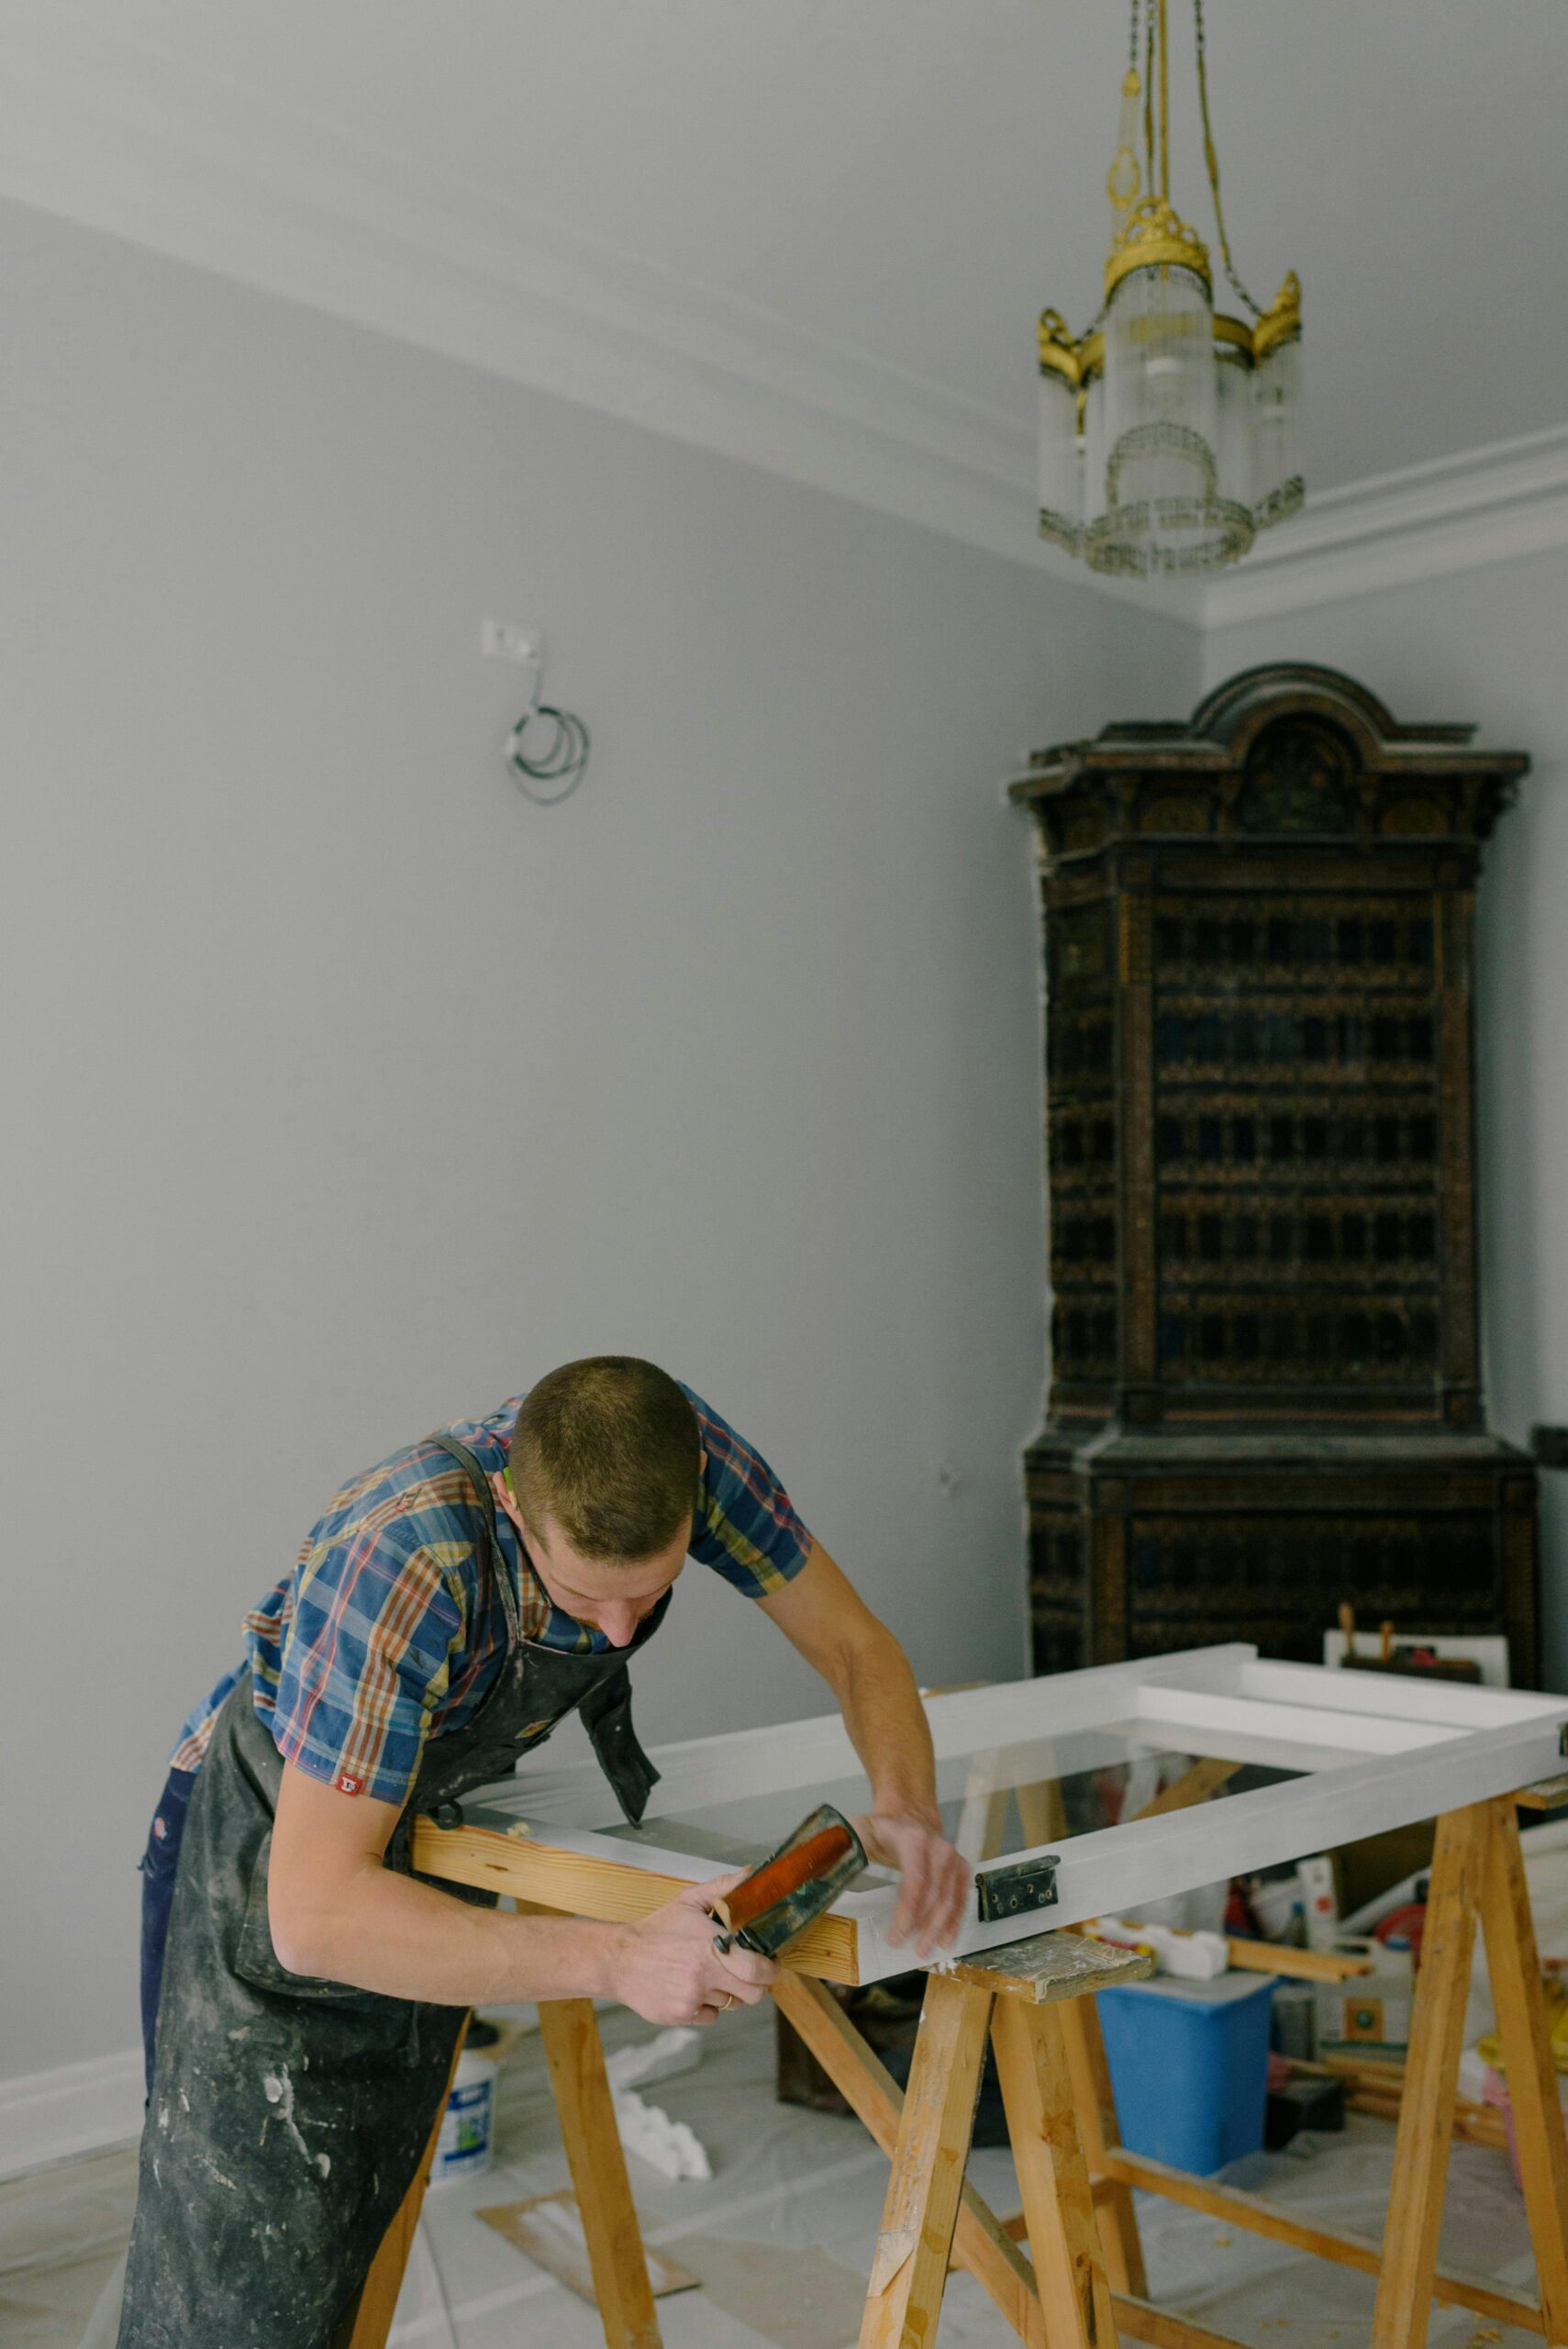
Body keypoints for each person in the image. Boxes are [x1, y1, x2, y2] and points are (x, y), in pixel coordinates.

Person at [117, 1356, 969, 2347]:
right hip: (264, 1851)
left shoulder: (683, 1452)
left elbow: (856, 1645)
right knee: (225, 2260)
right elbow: (313, 1917)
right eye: (581, 1594)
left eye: (649, 1593)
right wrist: (618, 1957)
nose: (617, 1626)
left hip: (414, 1830)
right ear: (515, 1507)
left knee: (345, 2221)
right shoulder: (403, 1554)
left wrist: (908, 1807)